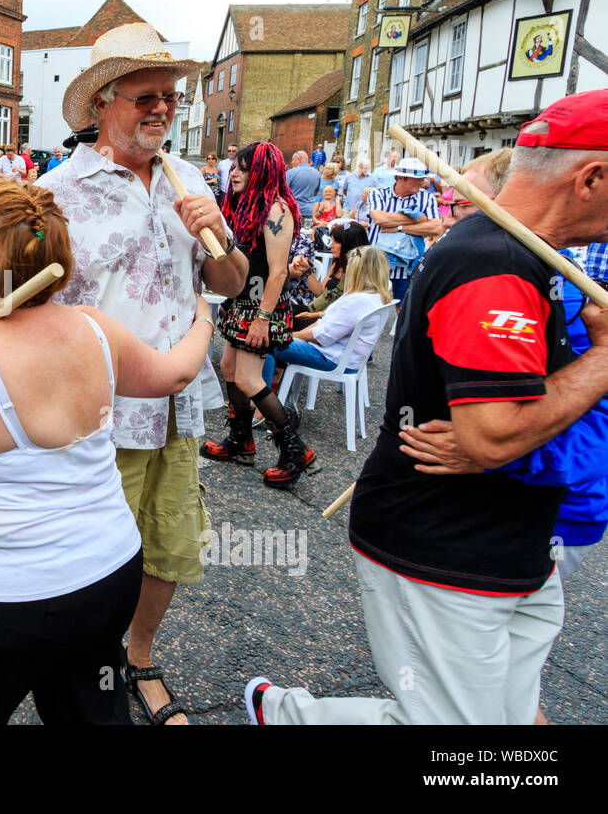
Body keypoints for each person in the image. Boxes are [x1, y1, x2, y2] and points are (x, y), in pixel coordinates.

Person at [247, 88, 608, 726]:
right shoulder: (491, 265)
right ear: (592, 178)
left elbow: (503, 428)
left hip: (514, 541)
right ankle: (286, 714)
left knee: (510, 727)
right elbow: (494, 434)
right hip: (446, 545)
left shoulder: (531, 259)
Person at [0, 180, 215, 724]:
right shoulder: (95, 328)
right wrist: (204, 316)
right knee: (90, 710)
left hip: (6, 603)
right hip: (108, 575)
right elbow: (176, 372)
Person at [36, 22, 246, 725]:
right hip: (101, 408)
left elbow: (231, 281)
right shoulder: (58, 191)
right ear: (103, 101)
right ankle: (87, 670)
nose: (162, 109)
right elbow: (28, 307)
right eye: (145, 97)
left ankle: (139, 655)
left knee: (170, 541)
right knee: (93, 560)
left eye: (171, 97)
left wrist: (215, 232)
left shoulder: (187, 179)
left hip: (180, 407)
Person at [200, 142, 316, 488]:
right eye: (233, 166)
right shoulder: (248, 205)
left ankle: (296, 451)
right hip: (243, 302)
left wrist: (262, 318)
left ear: (261, 173)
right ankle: (241, 441)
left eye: (243, 168)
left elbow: (279, 272)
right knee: (229, 369)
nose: (233, 173)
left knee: (250, 379)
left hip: (262, 307)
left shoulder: (276, 210)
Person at [270, 245, 392, 379]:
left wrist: (291, 336)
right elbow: (324, 323)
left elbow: (322, 336)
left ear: (358, 271)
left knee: (263, 342)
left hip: (332, 358)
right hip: (344, 357)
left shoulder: (358, 300)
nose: (346, 272)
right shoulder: (377, 292)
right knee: (269, 338)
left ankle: (262, 392)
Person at [366, 158, 442, 302]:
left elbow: (436, 227)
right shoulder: (378, 194)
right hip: (376, 262)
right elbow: (380, 219)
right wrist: (418, 219)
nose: (422, 183)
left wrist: (398, 227)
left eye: (423, 178)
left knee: (401, 308)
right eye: (417, 179)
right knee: (370, 305)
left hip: (406, 267)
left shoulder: (427, 198)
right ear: (400, 178)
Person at [293, 221, 370, 322]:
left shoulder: (358, 272)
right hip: (315, 311)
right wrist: (306, 271)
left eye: (336, 242)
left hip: (327, 320)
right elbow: (320, 293)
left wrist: (312, 316)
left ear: (349, 244)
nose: (331, 246)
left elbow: (346, 312)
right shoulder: (338, 264)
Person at [285, 150, 321, 219]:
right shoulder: (317, 173)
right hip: (308, 211)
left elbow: (284, 192)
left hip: (293, 211)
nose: (292, 162)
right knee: (306, 230)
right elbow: (316, 193)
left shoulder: (290, 173)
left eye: (293, 160)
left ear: (298, 159)